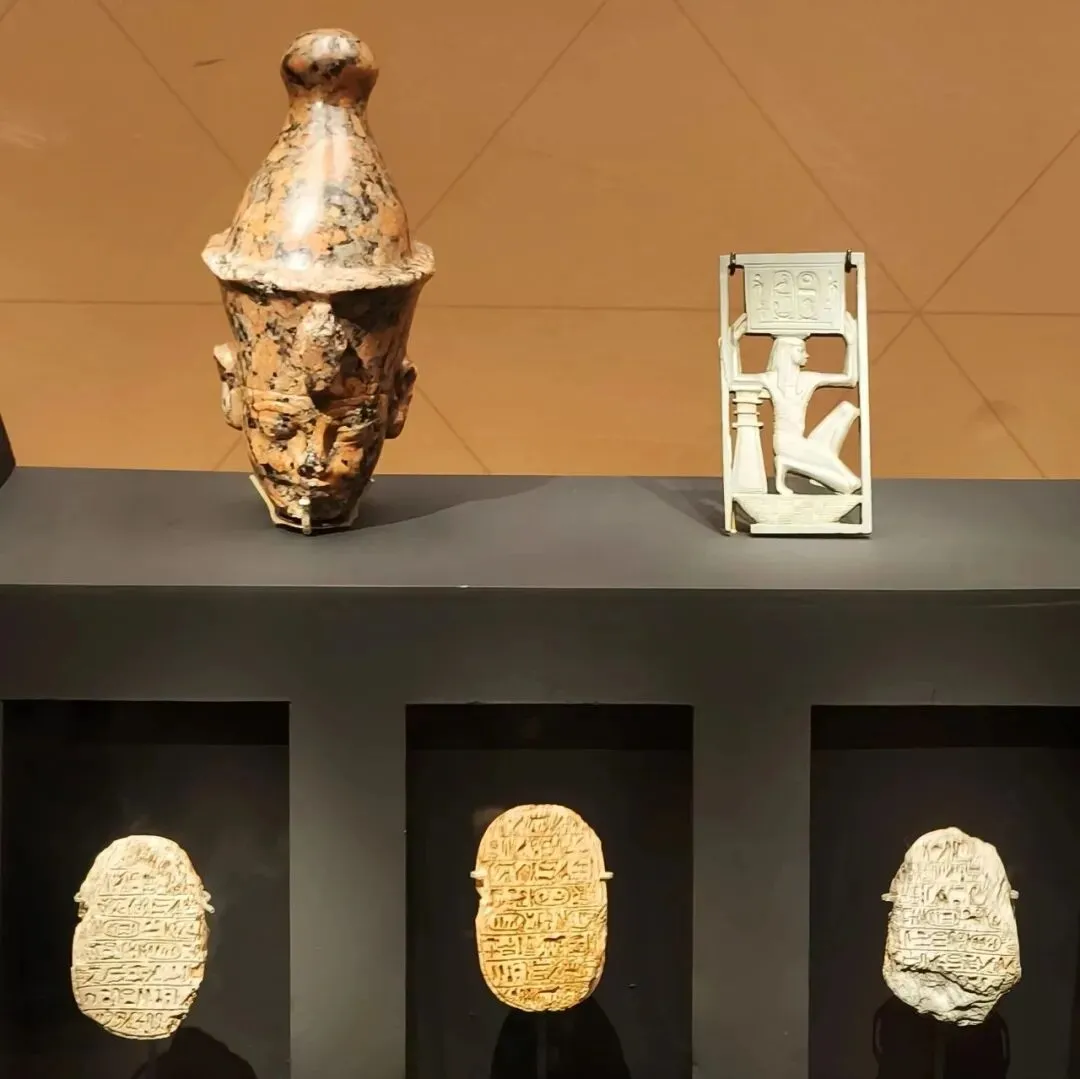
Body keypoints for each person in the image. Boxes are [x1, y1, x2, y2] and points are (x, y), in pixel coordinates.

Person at [723, 311, 861, 495]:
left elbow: (850, 379)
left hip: (801, 442)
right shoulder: (771, 379)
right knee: (851, 484)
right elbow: (733, 380)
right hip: (786, 443)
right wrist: (732, 344)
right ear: (786, 352)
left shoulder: (809, 379)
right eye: (801, 350)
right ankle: (791, 463)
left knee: (847, 409)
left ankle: (791, 464)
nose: (807, 355)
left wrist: (851, 343)